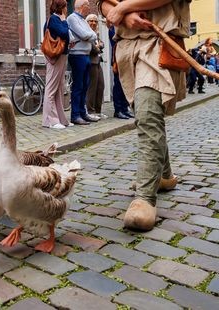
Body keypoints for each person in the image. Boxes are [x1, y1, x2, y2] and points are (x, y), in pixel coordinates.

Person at [100, 0, 190, 231]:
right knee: (147, 116)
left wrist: (123, 9)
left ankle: (145, 198)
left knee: (147, 115)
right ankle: (165, 176)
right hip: (127, 47)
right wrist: (119, 13)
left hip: (160, 41)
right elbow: (103, 3)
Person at [67, 0, 99, 125]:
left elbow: (92, 34)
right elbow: (85, 35)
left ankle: (83, 112)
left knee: (85, 85)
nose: (89, 8)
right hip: (77, 55)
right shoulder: (72, 18)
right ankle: (75, 115)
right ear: (81, 7)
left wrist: (90, 35)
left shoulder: (83, 20)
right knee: (78, 86)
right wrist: (90, 36)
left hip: (85, 55)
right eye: (87, 6)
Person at [42, 0, 72, 129]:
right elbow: (65, 34)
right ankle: (50, 121)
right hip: (55, 57)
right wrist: (65, 20)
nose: (67, 8)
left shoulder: (56, 19)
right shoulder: (55, 19)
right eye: (65, 6)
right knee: (51, 88)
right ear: (62, 7)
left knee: (59, 88)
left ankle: (61, 119)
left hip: (61, 56)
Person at [108, 23, 133, 119]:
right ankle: (118, 110)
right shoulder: (112, 28)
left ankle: (125, 108)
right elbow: (115, 40)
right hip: (118, 58)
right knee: (118, 85)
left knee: (126, 84)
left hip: (125, 57)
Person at [85, 14, 106, 119]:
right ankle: (90, 111)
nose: (93, 23)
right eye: (91, 21)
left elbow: (101, 44)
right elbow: (92, 48)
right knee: (92, 87)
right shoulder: (87, 33)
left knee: (101, 86)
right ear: (87, 22)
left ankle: (98, 110)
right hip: (91, 62)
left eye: (95, 21)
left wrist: (99, 46)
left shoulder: (95, 33)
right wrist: (98, 47)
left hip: (97, 61)